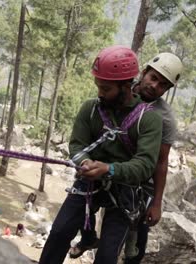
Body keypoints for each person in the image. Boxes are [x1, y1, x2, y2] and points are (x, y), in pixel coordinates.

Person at [38, 45, 163, 264]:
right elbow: (77, 145)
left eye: (106, 89)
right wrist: (85, 161)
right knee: (59, 233)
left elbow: (145, 164)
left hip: (126, 190)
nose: (100, 93)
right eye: (98, 86)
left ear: (126, 87)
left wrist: (110, 169)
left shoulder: (149, 119)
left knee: (106, 257)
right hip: (89, 181)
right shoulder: (91, 109)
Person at [68, 52, 183, 263]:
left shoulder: (163, 118)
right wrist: (85, 160)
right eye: (153, 78)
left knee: (135, 240)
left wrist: (156, 202)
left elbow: (160, 161)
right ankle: (87, 239)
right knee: (81, 210)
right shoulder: (116, 90)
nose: (154, 86)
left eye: (163, 85)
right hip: (101, 171)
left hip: (137, 184)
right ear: (144, 72)